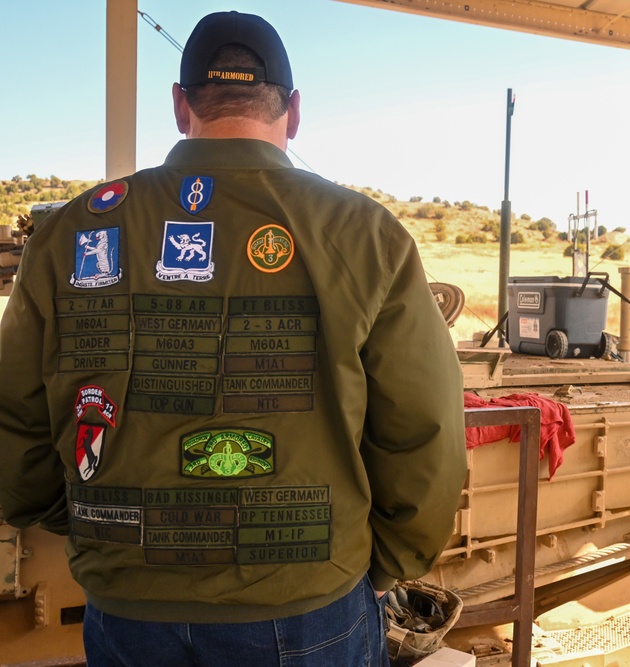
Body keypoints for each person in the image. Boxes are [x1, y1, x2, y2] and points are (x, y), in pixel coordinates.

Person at [0, 11, 467, 667]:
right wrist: (383, 559)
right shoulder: (368, 234)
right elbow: (425, 429)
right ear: (294, 112)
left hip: (129, 600)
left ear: (179, 105)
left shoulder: (71, 233)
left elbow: (15, 417)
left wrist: (83, 525)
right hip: (308, 602)